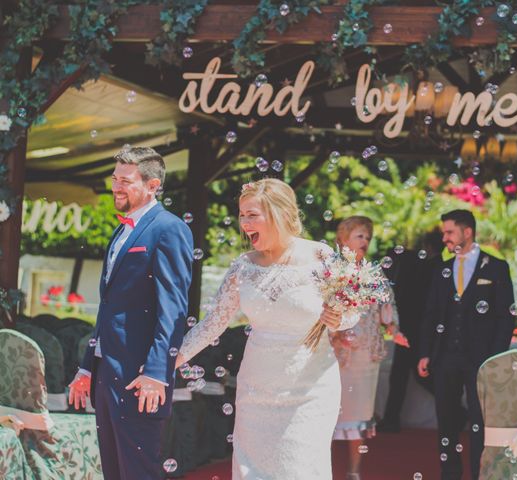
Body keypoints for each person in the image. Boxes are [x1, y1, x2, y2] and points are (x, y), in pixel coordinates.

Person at [175, 178, 359, 480]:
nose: (244, 223)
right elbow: (211, 326)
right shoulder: (242, 267)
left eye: (252, 215)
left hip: (310, 388)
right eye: (242, 214)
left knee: (299, 470)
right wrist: (168, 361)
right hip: (256, 390)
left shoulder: (321, 257)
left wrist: (339, 318)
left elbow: (352, 311)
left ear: (279, 214)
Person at [68, 147, 194, 479]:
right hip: (106, 372)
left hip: (140, 378)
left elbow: (173, 309)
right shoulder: (120, 231)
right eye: (114, 179)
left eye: (125, 181)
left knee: (139, 472)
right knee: (113, 470)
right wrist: (87, 366)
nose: (116, 187)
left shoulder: (169, 229)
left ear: (153, 185)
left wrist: (156, 371)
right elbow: (109, 308)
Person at [417, 209, 515, 480]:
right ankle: (449, 475)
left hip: (481, 359)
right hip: (446, 357)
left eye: (449, 232)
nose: (444, 238)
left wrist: (494, 358)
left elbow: (505, 317)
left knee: (479, 423)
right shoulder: (442, 270)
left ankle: (478, 475)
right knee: (446, 421)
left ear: (467, 232)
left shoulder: (496, 268)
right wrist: (425, 352)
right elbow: (431, 314)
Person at [328, 216, 407, 480]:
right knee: (326, 415)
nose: (365, 241)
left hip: (366, 357)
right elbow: (320, 311)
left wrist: (392, 326)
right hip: (337, 357)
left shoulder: (375, 273)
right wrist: (336, 336)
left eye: (368, 237)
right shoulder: (331, 271)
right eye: (359, 235)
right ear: (343, 239)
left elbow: (388, 308)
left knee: (359, 418)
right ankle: (321, 471)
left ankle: (353, 473)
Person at [378, 229, 444, 433]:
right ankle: (390, 418)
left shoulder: (427, 266)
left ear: (428, 246)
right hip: (414, 329)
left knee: (411, 375)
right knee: (407, 375)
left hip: (415, 330)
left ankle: (391, 419)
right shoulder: (434, 266)